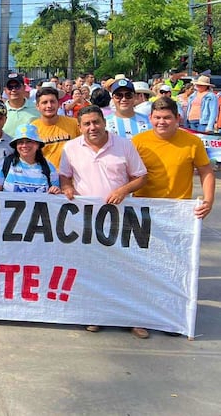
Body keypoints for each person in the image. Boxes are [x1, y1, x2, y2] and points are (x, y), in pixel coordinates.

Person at [59, 104, 148, 339]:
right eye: (86, 124)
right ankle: (94, 315)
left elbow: (141, 177)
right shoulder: (71, 148)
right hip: (85, 220)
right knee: (91, 269)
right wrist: (66, 188)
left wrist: (123, 190)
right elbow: (64, 175)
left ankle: (131, 318)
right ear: (79, 127)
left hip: (119, 218)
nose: (92, 128)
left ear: (104, 122)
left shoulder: (124, 145)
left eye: (96, 122)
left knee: (123, 268)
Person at [133, 97, 214, 219]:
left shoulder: (193, 142)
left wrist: (208, 201)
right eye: (157, 117)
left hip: (178, 209)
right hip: (143, 209)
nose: (161, 122)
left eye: (167, 118)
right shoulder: (137, 141)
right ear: (150, 118)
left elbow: (206, 172)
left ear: (177, 118)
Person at [0, 124, 59, 193]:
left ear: (37, 145)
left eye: (29, 141)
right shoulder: (5, 164)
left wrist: (55, 190)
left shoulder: (49, 167)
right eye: (20, 142)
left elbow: (56, 193)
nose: (24, 145)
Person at [31, 87, 80, 168]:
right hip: (46, 177)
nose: (49, 105)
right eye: (44, 102)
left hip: (72, 176)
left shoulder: (74, 123)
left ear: (58, 104)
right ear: (37, 106)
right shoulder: (33, 128)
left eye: (52, 101)